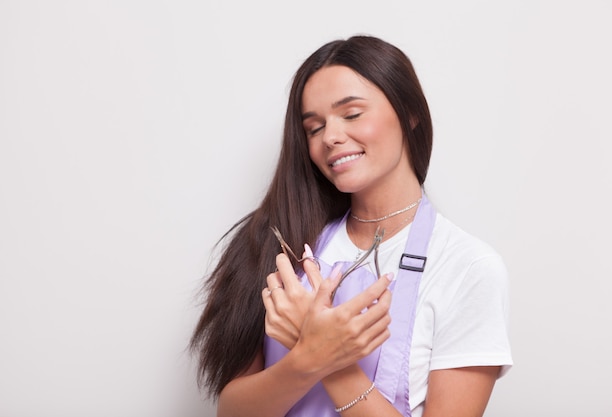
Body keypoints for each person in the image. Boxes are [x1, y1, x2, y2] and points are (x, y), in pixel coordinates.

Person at [190, 35, 513, 417]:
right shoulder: (279, 245)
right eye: (313, 127)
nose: (330, 137)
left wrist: (327, 358)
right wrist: (306, 359)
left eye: (352, 114)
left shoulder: (467, 268)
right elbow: (232, 411)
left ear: (410, 112)